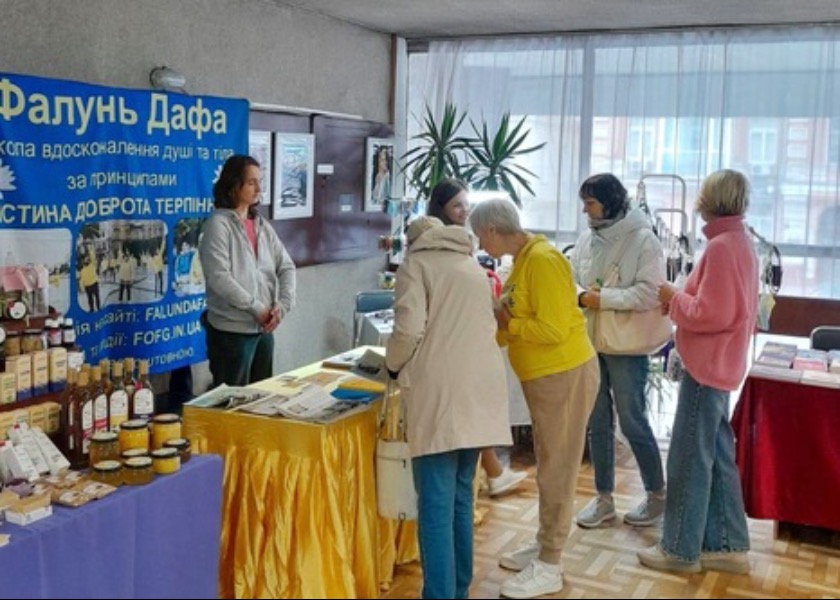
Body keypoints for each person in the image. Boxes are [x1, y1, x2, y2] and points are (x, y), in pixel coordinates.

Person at [468, 197, 599, 598]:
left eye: (479, 237)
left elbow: (554, 329)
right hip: (545, 380)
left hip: (564, 374)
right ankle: (545, 545)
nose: (479, 245)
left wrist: (511, 323)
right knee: (548, 464)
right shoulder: (523, 260)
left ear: (492, 229)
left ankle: (551, 563)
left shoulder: (542, 260)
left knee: (557, 469)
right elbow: (515, 319)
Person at [637, 169, 758, 575]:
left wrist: (674, 298)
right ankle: (727, 545)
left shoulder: (723, 247)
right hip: (720, 365)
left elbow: (714, 312)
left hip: (707, 367)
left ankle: (679, 550)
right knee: (716, 456)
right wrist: (680, 299)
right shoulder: (738, 243)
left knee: (688, 458)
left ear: (709, 199)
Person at [385, 216, 512, 600]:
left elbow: (408, 331)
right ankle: (457, 589)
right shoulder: (470, 264)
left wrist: (391, 364)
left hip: (439, 394)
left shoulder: (416, 265)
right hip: (479, 391)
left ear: (412, 243)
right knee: (460, 497)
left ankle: (438, 594)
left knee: (435, 504)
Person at [569, 173, 666, 528]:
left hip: (626, 346)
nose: (585, 210)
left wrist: (600, 298)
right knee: (597, 423)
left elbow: (649, 294)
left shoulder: (643, 239)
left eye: (590, 203)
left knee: (632, 420)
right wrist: (583, 295)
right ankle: (603, 498)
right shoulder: (586, 239)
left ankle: (657, 495)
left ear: (609, 201)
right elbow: (573, 278)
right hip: (591, 342)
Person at [428, 177, 528, 497]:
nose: (463, 212)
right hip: (449, 341)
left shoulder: (462, 242)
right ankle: (493, 473)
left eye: (466, 206)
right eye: (456, 205)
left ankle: (492, 473)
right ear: (440, 208)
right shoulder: (434, 244)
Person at [199, 154, 296, 387]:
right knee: (232, 405)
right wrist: (256, 308)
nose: (259, 188)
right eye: (252, 182)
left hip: (263, 329)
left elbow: (287, 266)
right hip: (231, 332)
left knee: (261, 399)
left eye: (259, 182)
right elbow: (219, 278)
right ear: (234, 186)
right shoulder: (218, 225)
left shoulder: (261, 225)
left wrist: (281, 307)